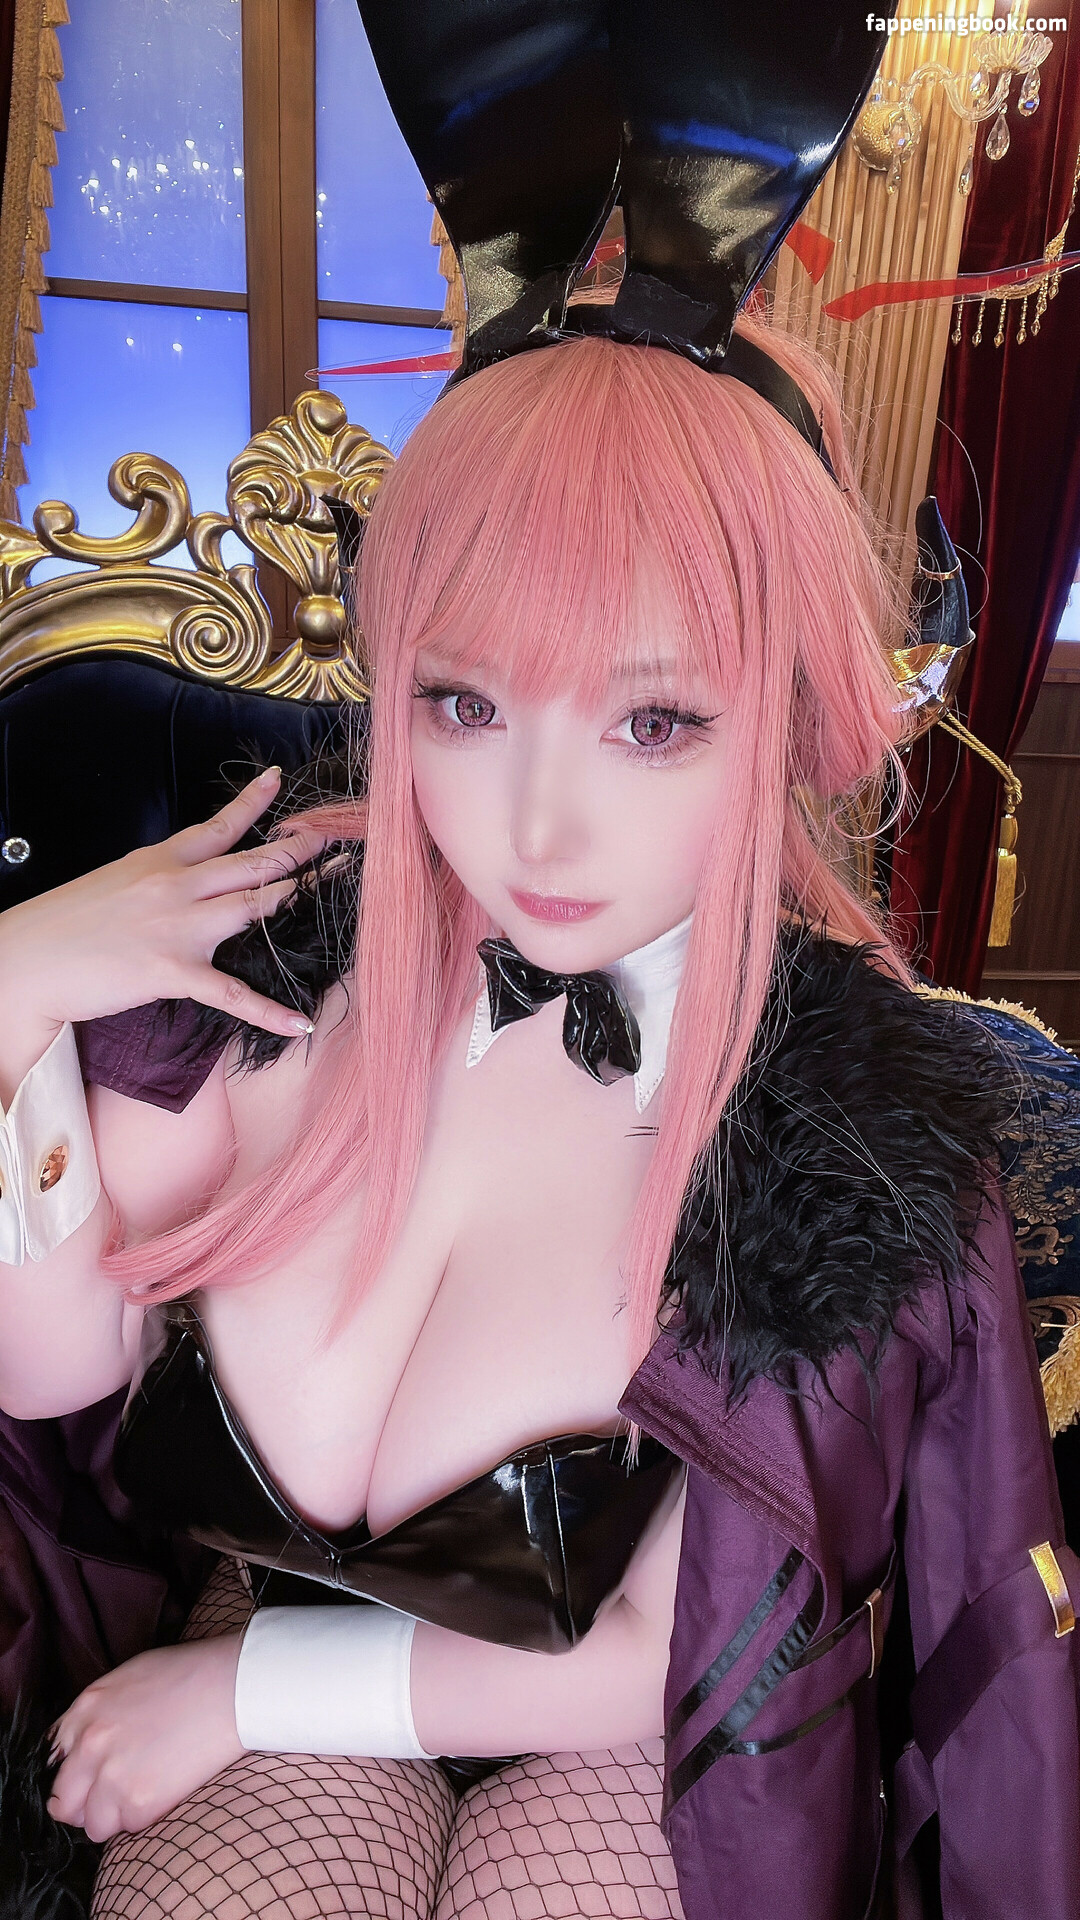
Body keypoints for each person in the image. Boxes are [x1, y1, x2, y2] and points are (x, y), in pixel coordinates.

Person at [1, 4, 1078, 1913]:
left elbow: (699, 1643)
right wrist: (14, 993)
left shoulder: (842, 1144)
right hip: (257, 1639)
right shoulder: (265, 967)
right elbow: (53, 1370)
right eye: (466, 704)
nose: (539, 831)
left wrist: (248, 1691)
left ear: (787, 712)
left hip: (633, 1726)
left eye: (655, 721)